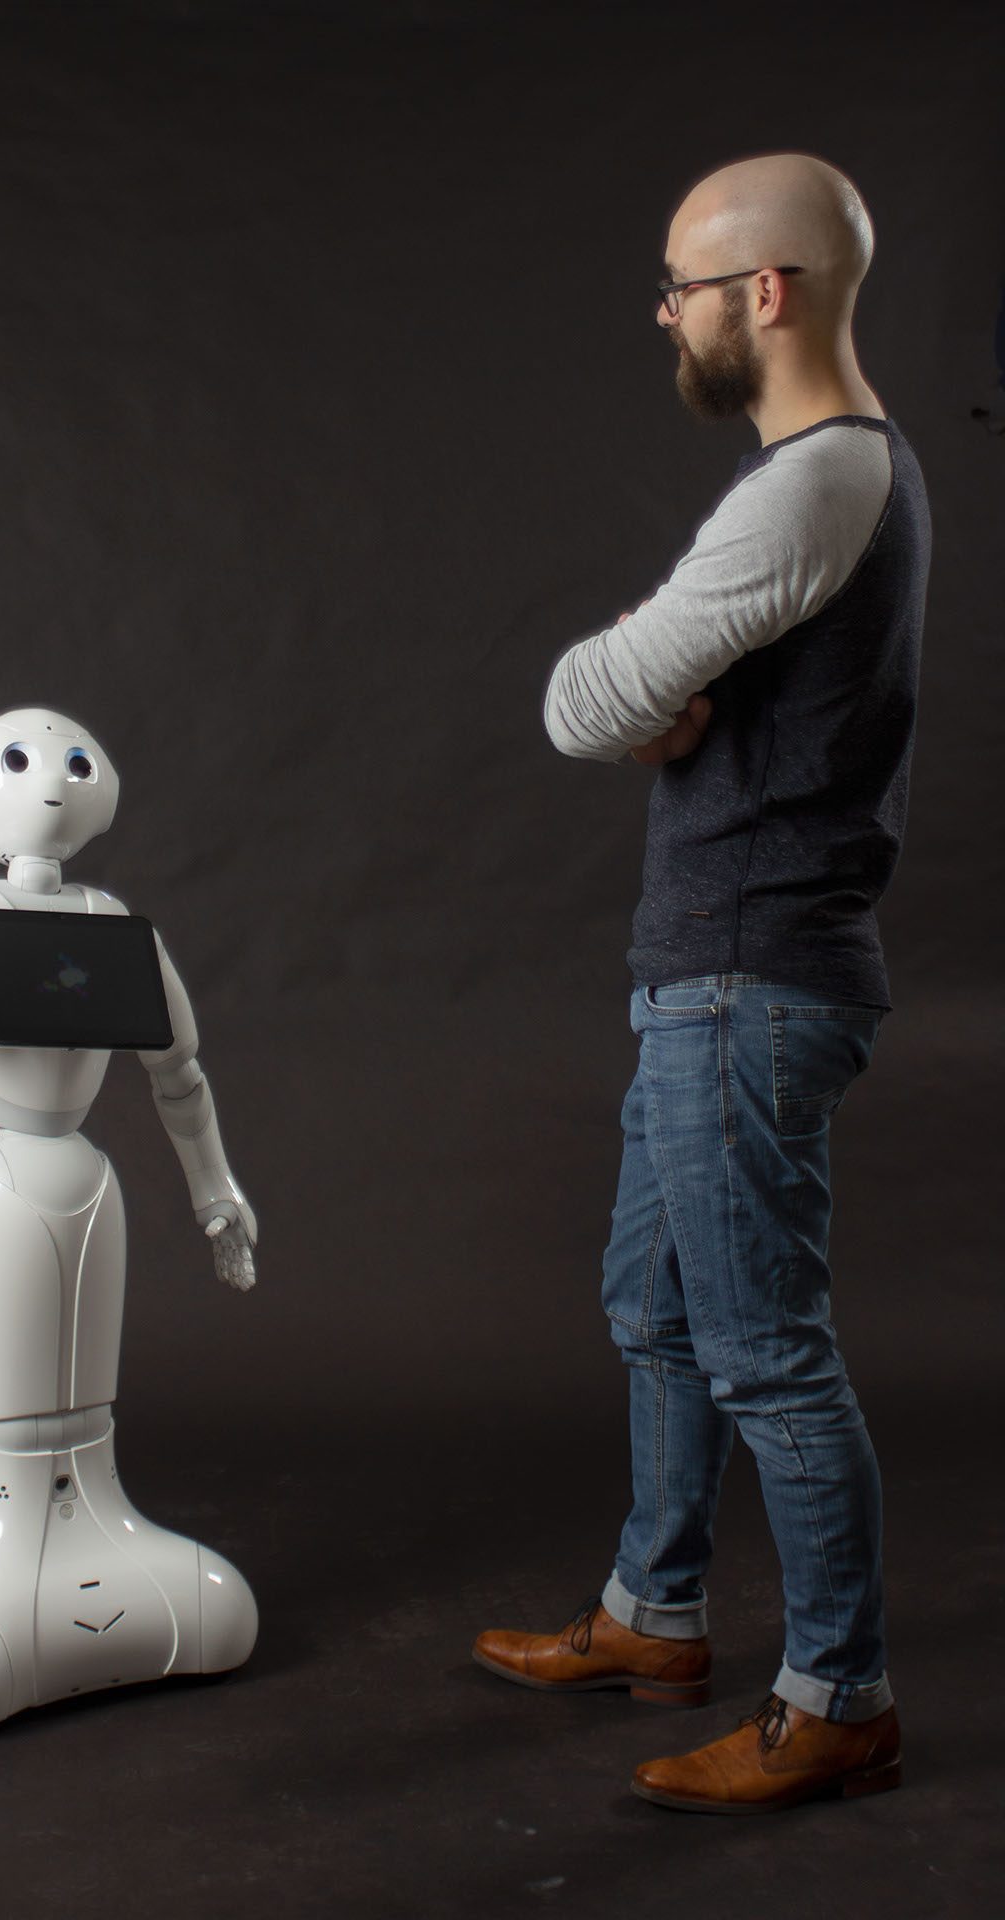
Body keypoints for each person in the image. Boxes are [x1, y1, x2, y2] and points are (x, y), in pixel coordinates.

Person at [473, 152, 928, 1814]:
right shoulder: (830, 476)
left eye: (681, 284)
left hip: (749, 980)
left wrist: (642, 680)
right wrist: (655, 681)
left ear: (768, 292)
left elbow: (581, 704)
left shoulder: (810, 484)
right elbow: (634, 694)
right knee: (655, 1311)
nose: (664, 313)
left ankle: (841, 1699)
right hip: (717, 977)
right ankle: (654, 1614)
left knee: (764, 1354)